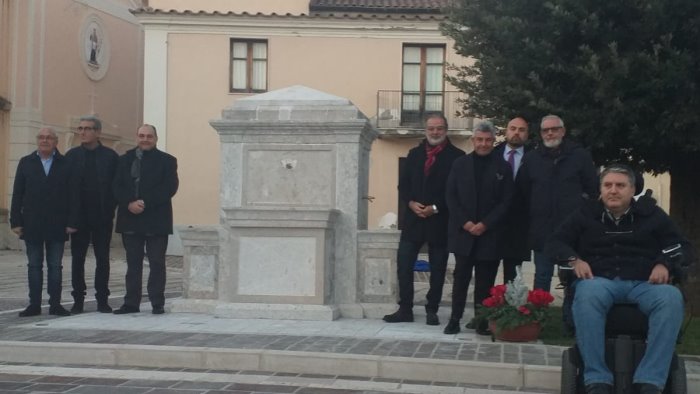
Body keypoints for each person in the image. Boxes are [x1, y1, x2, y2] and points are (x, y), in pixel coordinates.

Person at [545, 165, 685, 394]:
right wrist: (574, 260)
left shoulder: (652, 215)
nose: (613, 190)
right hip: (598, 280)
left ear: (632, 190)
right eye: (607, 185)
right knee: (587, 294)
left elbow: (681, 246)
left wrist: (664, 263)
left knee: (670, 297)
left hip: (644, 282)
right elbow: (555, 242)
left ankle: (651, 381)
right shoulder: (585, 213)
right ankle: (597, 379)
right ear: (600, 189)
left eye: (620, 185)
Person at [383, 113, 464, 325]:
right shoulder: (414, 154)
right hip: (414, 219)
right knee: (404, 263)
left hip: (440, 220)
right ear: (425, 130)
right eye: (431, 128)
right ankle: (405, 308)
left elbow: (457, 191)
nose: (435, 132)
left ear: (446, 130)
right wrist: (410, 203)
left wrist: (435, 208)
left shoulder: (457, 157)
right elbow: (404, 185)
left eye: (439, 128)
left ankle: (432, 309)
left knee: (438, 268)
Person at [443, 121, 514, 335]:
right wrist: (465, 222)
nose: (483, 144)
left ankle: (482, 322)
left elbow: (506, 201)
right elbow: (451, 196)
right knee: (460, 280)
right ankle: (454, 319)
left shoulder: (503, 167)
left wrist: (485, 224)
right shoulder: (460, 164)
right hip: (463, 233)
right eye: (479, 140)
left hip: (489, 235)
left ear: (493, 141)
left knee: (485, 283)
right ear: (473, 140)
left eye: (488, 140)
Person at [517, 114, 598, 291]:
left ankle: (572, 317)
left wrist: (581, 212)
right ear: (541, 133)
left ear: (563, 131)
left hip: (572, 230)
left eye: (554, 129)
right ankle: (541, 316)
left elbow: (593, 190)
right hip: (542, 230)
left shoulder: (580, 156)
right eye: (546, 130)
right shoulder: (532, 159)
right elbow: (523, 192)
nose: (550, 133)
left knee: (573, 278)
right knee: (542, 277)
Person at [10, 127, 79, 317]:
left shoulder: (66, 164)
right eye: (41, 137)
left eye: (49, 138)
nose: (45, 140)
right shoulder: (26, 162)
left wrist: (73, 221)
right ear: (37, 140)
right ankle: (34, 304)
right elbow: (18, 193)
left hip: (58, 222)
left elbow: (74, 195)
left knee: (55, 266)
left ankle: (55, 304)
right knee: (34, 265)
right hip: (32, 222)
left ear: (56, 141)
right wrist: (15, 221)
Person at [112, 124, 178, 315]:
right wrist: (129, 203)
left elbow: (169, 187)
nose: (145, 139)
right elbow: (116, 186)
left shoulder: (167, 161)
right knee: (133, 264)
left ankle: (157, 302)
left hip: (156, 219)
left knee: (157, 263)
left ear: (156, 139)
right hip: (130, 218)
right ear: (136, 137)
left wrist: (145, 202)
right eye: (141, 135)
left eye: (149, 136)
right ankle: (131, 303)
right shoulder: (124, 160)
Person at [65, 116, 118, 313]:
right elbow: (65, 188)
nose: (83, 132)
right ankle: (78, 300)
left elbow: (116, 186)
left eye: (87, 128)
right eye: (80, 128)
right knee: (77, 260)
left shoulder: (110, 157)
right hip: (78, 217)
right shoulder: (71, 156)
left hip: (102, 217)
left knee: (102, 259)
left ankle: (102, 299)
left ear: (97, 132)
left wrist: (111, 208)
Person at [494, 116, 531, 284]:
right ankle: (487, 309)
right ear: (506, 131)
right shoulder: (492, 155)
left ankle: (510, 310)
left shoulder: (534, 158)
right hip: (492, 225)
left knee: (513, 278)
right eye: (513, 128)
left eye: (521, 130)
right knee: (486, 276)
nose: (517, 133)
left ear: (527, 134)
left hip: (519, 227)